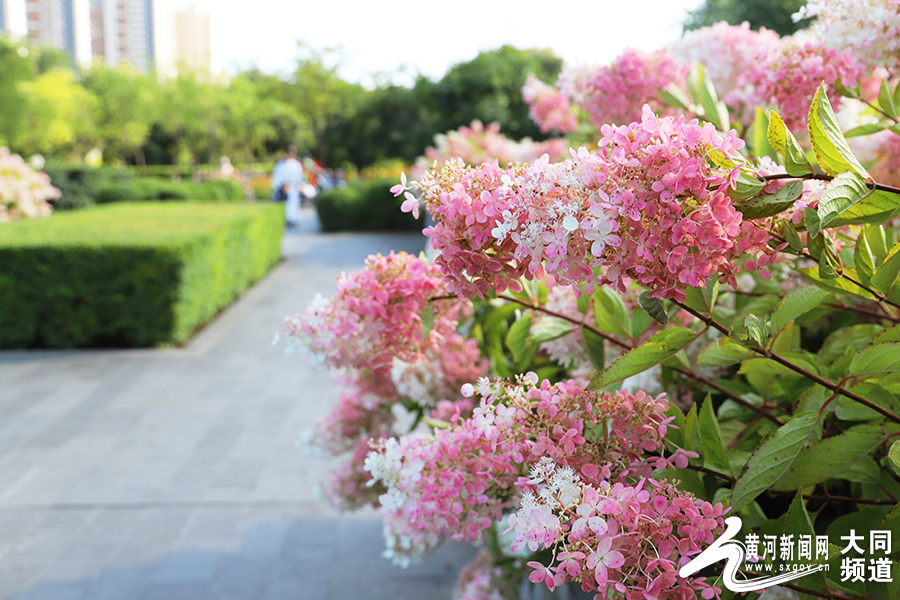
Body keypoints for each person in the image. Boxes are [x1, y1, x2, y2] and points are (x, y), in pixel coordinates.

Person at [271, 145, 305, 227]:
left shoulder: (296, 164)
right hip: (284, 191)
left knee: (294, 204)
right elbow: (276, 178)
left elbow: (300, 177)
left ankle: (293, 220)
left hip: (294, 189)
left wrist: (301, 185)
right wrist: (283, 185)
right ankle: (287, 220)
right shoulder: (281, 165)